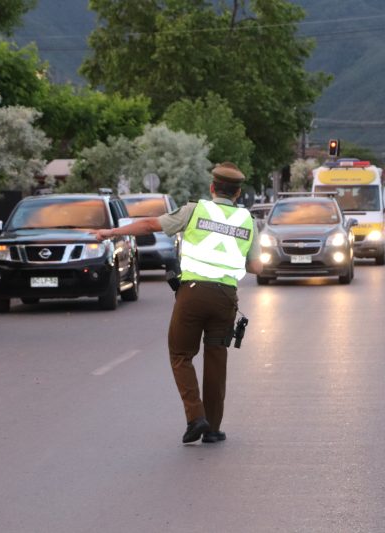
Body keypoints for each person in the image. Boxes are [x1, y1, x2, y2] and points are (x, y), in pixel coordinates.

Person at [93, 162, 263, 444]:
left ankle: (195, 416)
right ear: (238, 193)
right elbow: (256, 265)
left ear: (212, 188)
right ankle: (213, 429)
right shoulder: (249, 221)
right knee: (216, 359)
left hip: (193, 294)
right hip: (225, 298)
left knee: (181, 355)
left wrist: (110, 234)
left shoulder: (194, 210)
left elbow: (150, 224)